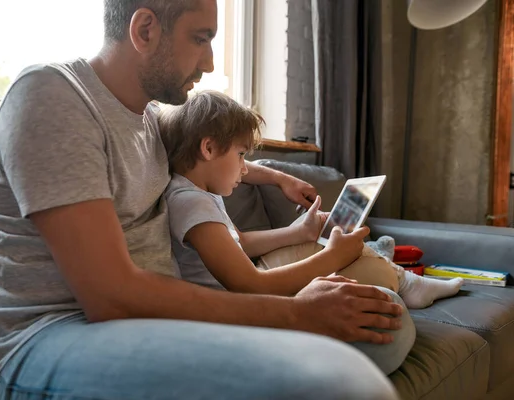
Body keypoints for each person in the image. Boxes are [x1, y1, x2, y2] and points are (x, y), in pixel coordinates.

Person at [0, 1, 408, 399]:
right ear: (145, 30)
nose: (211, 61)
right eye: (201, 39)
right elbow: (111, 298)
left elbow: (214, 155)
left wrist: (277, 179)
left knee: (384, 332)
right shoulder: (52, 96)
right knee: (348, 384)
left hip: (154, 324)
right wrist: (297, 312)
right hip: (49, 336)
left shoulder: (152, 121)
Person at [159, 90, 463, 316]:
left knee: (322, 237)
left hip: (250, 283)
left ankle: (396, 273)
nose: (244, 168)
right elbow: (252, 285)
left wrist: (299, 232)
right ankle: (402, 279)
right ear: (208, 148)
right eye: (241, 154)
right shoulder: (192, 205)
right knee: (345, 255)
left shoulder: (201, 191)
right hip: (241, 304)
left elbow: (240, 242)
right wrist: (330, 257)